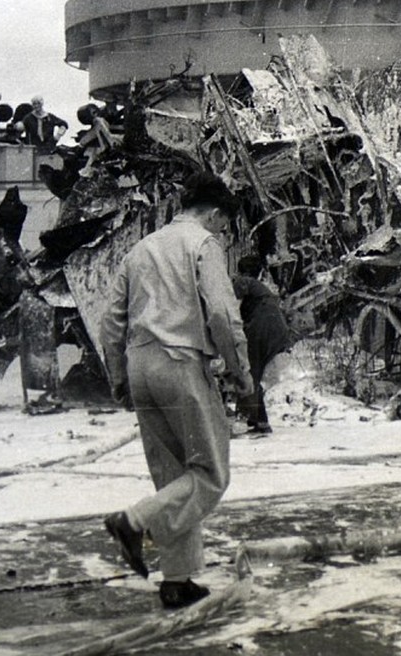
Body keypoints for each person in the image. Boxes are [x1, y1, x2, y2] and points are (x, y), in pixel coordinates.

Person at [99, 171, 252, 609]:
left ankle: (177, 579)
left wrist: (117, 376)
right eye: (224, 223)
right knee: (209, 474)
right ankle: (133, 521)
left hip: (140, 362)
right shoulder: (203, 245)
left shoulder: (140, 249)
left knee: (172, 476)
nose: (223, 231)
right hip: (182, 361)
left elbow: (111, 321)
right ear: (216, 213)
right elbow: (222, 314)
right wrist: (240, 370)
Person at [232, 255, 295, 435]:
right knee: (255, 374)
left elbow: (231, 307)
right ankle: (260, 421)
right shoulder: (262, 288)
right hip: (278, 331)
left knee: (249, 371)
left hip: (260, 328)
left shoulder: (245, 281)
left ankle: (242, 419)